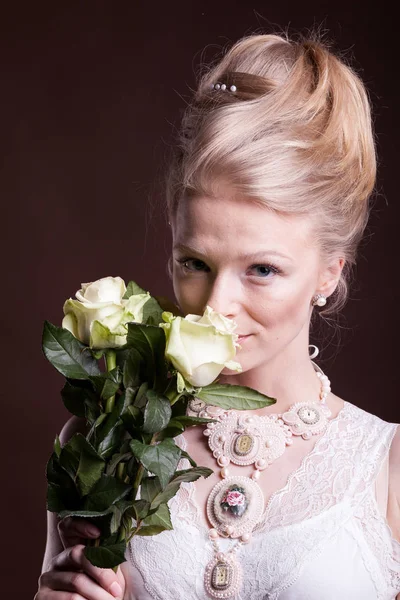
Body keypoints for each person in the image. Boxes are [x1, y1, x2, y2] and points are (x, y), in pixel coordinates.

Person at [35, 32, 400, 600]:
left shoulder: (387, 469)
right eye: (196, 262)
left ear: (330, 271)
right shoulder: (102, 439)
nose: (214, 307)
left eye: (262, 269)